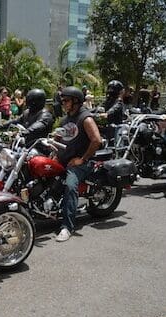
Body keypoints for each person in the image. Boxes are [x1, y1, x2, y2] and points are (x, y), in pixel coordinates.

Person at [55, 86, 102, 242]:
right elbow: (58, 139)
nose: (63, 103)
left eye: (66, 100)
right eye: (62, 100)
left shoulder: (85, 118)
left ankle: (67, 227)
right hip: (65, 159)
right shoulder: (65, 119)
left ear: (76, 101)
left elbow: (96, 140)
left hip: (81, 163)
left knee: (70, 185)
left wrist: (82, 159)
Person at [102, 80, 125, 145]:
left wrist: (106, 114)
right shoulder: (108, 100)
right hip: (106, 127)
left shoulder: (118, 102)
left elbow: (111, 111)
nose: (110, 92)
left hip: (115, 130)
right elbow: (98, 108)